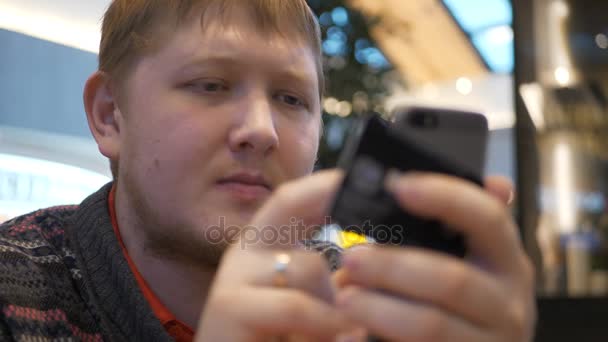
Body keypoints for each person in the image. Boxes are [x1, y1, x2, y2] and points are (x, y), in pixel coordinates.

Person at [0, 0, 536, 341]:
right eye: (210, 84)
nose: (262, 129)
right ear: (110, 114)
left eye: (290, 98)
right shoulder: (14, 288)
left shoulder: (354, 301)